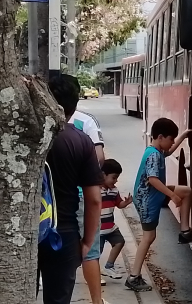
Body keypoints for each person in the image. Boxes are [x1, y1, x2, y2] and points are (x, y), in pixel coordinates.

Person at [40, 76, 104, 304]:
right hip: (63, 234)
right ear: (74, 107)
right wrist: (87, 241)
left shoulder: (25, 137)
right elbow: (95, 200)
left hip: (23, 233)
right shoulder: (81, 141)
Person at [126, 118, 192, 292]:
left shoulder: (156, 150)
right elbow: (153, 179)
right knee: (149, 237)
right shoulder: (153, 155)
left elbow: (170, 151)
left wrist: (184, 136)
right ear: (161, 137)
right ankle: (133, 277)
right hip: (147, 200)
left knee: (186, 191)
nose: (172, 142)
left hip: (154, 195)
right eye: (171, 138)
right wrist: (172, 195)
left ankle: (185, 231)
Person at [62, 74, 109, 292]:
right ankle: (97, 301)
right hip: (81, 195)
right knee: (90, 253)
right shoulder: (85, 121)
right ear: (77, 98)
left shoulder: (41, 123)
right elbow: (99, 157)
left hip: (50, 199)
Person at [100, 159, 133, 279]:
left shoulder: (114, 190)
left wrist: (126, 202)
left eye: (117, 178)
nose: (116, 181)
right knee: (95, 253)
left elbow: (119, 204)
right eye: (113, 177)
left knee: (120, 242)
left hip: (110, 226)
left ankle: (109, 266)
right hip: (97, 229)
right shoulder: (95, 190)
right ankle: (92, 275)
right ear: (103, 175)